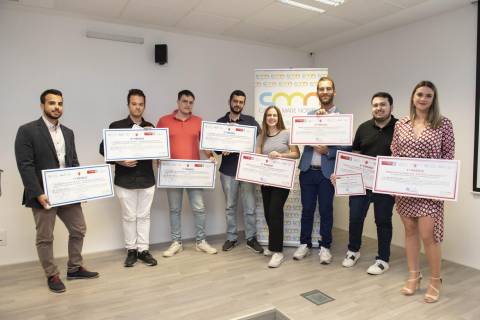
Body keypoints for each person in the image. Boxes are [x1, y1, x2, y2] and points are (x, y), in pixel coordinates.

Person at [14, 89, 99, 293]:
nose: (56, 107)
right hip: (43, 194)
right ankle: (51, 274)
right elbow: (25, 165)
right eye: (51, 103)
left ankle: (75, 268)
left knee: (79, 229)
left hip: (68, 192)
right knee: (45, 237)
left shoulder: (68, 132)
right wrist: (37, 193)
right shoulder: (27, 130)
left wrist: (81, 189)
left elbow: (74, 162)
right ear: (42, 105)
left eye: (60, 103)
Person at [391, 81, 454, 303]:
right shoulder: (401, 124)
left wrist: (442, 186)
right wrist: (391, 182)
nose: (423, 99)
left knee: (428, 234)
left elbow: (448, 157)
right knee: (409, 231)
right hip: (405, 188)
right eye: (420, 94)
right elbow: (394, 153)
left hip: (430, 188)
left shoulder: (443, 124)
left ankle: (435, 280)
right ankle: (413, 276)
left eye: (428, 95)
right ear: (413, 97)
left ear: (433, 99)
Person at [335, 92, 397, 274]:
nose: (378, 108)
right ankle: (353, 251)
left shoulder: (400, 128)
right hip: (360, 183)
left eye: (382, 105)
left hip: (385, 185)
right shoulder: (363, 128)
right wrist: (342, 176)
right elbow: (355, 156)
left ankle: (383, 259)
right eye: (375, 105)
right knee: (355, 217)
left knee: (383, 221)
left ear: (391, 107)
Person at [99, 89, 157, 268]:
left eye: (141, 104)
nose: (137, 107)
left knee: (144, 216)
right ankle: (131, 250)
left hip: (147, 179)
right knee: (129, 216)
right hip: (125, 180)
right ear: (128, 105)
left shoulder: (150, 127)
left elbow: (157, 150)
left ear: (144, 106)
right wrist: (120, 162)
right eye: (134, 104)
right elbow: (103, 149)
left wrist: (155, 140)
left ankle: (143, 250)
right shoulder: (116, 126)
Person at [294, 76, 349, 264]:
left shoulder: (342, 119)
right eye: (321, 89)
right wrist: (314, 124)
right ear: (317, 92)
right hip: (308, 170)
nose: (324, 92)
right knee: (307, 209)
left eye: (328, 89)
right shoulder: (309, 116)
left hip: (327, 173)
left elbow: (347, 148)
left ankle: (325, 247)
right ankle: (305, 244)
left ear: (334, 92)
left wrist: (329, 151)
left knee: (326, 210)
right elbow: (299, 137)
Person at [157, 90, 218, 257]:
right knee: (174, 209)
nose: (188, 105)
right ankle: (176, 242)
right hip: (172, 173)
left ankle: (201, 242)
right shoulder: (164, 121)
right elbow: (158, 145)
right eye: (184, 101)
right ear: (178, 102)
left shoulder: (199, 121)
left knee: (199, 208)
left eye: (191, 102)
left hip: (193, 173)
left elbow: (205, 145)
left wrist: (211, 156)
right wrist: (158, 161)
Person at [216, 90, 263, 253]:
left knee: (250, 207)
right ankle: (231, 238)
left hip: (247, 171)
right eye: (235, 101)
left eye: (241, 102)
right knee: (230, 207)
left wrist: (255, 153)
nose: (238, 104)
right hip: (228, 171)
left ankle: (251, 238)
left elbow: (261, 139)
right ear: (230, 101)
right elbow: (215, 149)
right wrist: (222, 149)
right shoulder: (220, 122)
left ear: (244, 104)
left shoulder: (250, 122)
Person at [256, 106, 300, 268]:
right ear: (265, 117)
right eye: (269, 115)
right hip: (266, 180)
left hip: (282, 180)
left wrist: (281, 155)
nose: (272, 118)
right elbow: (258, 157)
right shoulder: (261, 137)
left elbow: (296, 154)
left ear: (278, 117)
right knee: (268, 212)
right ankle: (273, 244)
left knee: (275, 211)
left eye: (274, 115)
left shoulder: (286, 133)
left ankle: (278, 251)